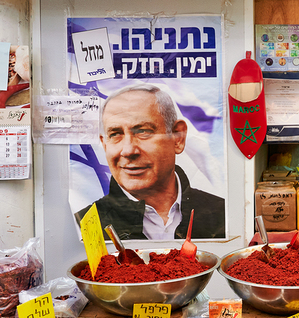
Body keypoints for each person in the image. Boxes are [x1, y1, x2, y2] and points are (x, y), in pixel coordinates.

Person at [75, 83, 226, 240]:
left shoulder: (223, 214)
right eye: (115, 134)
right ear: (104, 144)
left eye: (143, 131)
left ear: (178, 138)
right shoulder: (83, 226)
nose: (128, 150)